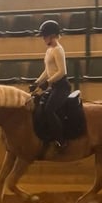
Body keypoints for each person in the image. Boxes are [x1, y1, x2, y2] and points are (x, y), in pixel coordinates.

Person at [29, 19, 71, 150]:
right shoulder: (49, 50)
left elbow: (62, 71)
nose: (43, 38)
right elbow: (47, 71)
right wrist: (37, 82)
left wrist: (47, 82)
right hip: (54, 87)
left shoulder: (58, 50)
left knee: (49, 110)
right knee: (39, 105)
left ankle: (61, 141)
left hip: (62, 87)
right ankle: (46, 136)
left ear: (52, 35)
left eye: (44, 36)